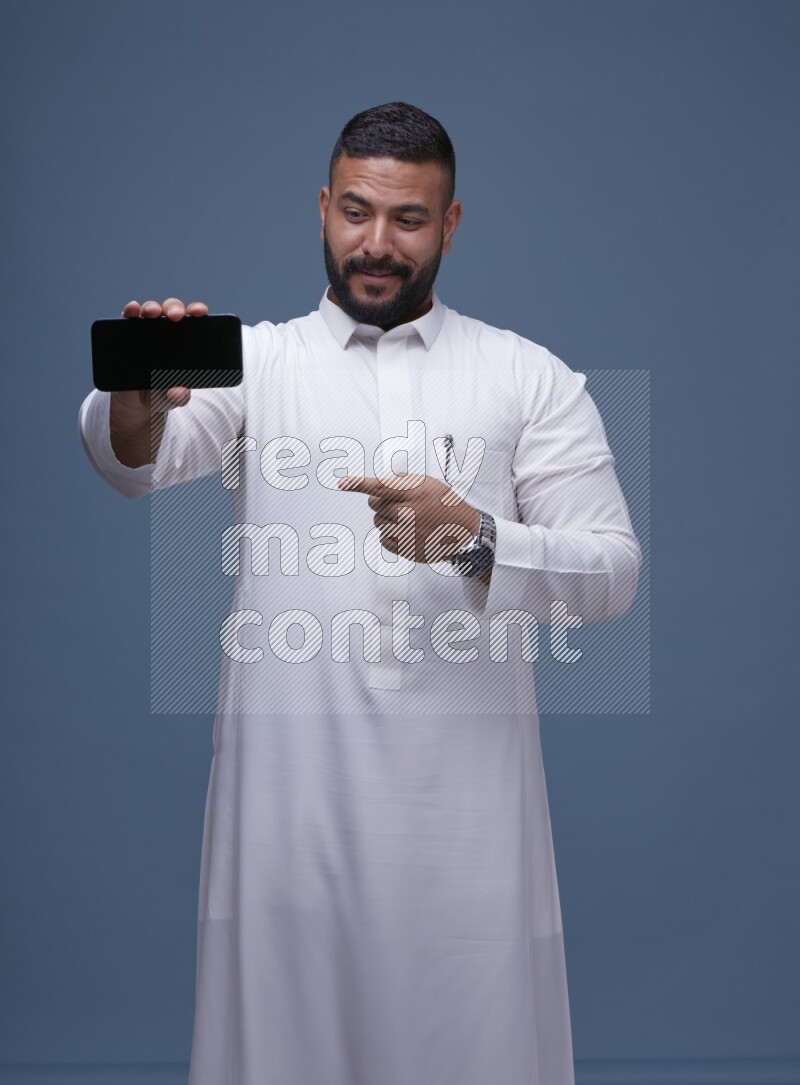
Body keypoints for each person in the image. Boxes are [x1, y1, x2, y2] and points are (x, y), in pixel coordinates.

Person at [79, 102, 642, 1085]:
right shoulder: (255, 365)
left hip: (468, 831)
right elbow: (134, 462)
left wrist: (470, 538)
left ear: (452, 222)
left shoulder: (529, 377)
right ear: (322, 208)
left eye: (408, 219)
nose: (375, 243)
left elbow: (609, 576)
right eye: (354, 211)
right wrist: (135, 400)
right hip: (288, 823)